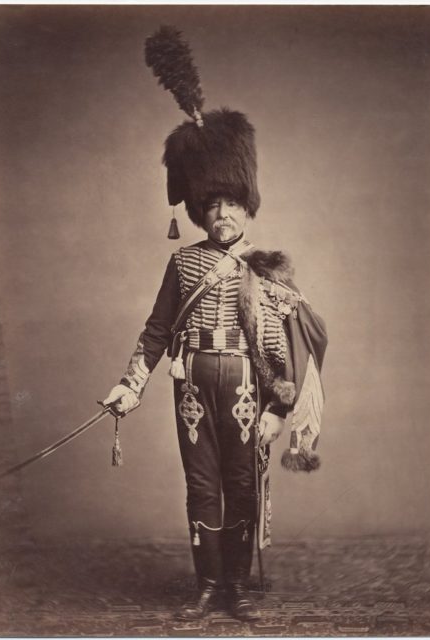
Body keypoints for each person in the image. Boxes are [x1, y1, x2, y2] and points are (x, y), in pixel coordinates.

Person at [104, 26, 328, 622]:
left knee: (242, 482)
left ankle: (236, 587)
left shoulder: (267, 267)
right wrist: (129, 385)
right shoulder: (182, 263)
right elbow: (156, 331)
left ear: (246, 207)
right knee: (201, 484)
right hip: (192, 384)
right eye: (212, 204)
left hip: (247, 386)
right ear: (200, 210)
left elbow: (284, 347)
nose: (222, 213)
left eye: (231, 204)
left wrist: (278, 409)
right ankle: (207, 587)